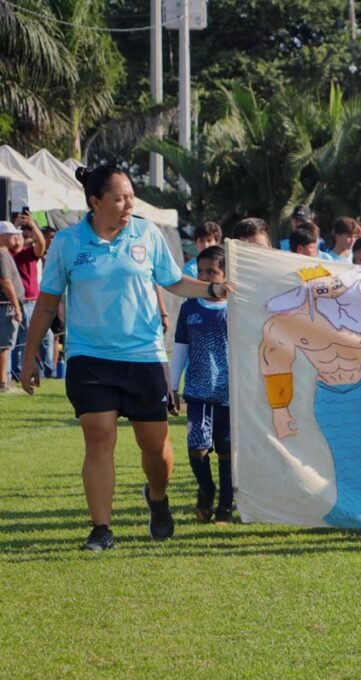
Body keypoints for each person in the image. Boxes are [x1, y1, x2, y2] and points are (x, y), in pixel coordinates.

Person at [19, 165, 232, 551]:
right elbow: (47, 305)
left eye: (130, 196)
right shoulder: (67, 243)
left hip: (144, 357)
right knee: (99, 438)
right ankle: (101, 529)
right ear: (95, 202)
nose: (128, 204)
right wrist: (31, 356)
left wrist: (213, 289)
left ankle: (157, 497)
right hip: (89, 358)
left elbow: (174, 281)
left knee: (155, 448)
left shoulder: (147, 234)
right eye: (119, 198)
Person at [260, 228, 361, 540]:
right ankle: (360, 515)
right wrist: (280, 409)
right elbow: (273, 356)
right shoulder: (292, 321)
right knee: (336, 454)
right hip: (329, 393)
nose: (322, 291)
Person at [170, 246, 233, 523]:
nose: (206, 277)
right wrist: (172, 385)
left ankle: (226, 507)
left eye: (212, 272)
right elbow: (180, 347)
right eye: (201, 272)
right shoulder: (189, 308)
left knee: (228, 451)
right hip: (197, 390)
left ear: (226, 274)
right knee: (197, 447)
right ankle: (207, 489)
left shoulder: (236, 308)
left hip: (231, 393)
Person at [9, 212, 52, 381]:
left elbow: (41, 245)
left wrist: (33, 225)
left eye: (21, 236)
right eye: (16, 236)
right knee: (22, 340)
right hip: (22, 301)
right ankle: (19, 372)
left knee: (46, 337)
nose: (19, 238)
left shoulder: (28, 254)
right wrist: (15, 225)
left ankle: (49, 371)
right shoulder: (8, 255)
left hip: (35, 301)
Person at [0, 221, 24, 391]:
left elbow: (19, 247)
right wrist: (16, 307)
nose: (15, 236)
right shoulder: (1, 254)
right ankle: (2, 382)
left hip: (6, 305)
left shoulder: (6, 252)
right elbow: (5, 281)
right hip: (6, 306)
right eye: (12, 234)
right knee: (4, 346)